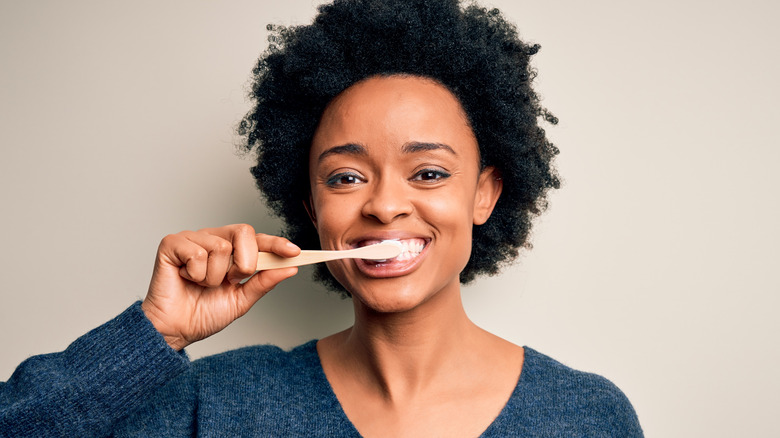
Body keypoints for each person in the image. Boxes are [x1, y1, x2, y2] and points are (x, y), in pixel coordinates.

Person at [0, 0, 643, 436]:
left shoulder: (585, 415)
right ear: (312, 208)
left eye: (428, 173)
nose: (385, 205)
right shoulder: (221, 404)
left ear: (485, 194)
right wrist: (155, 333)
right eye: (346, 177)